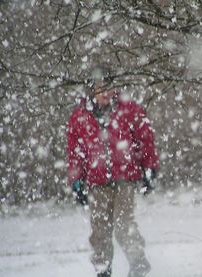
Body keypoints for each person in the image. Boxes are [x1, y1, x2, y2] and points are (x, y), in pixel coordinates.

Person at [67, 70, 159, 277]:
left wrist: (149, 169)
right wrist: (76, 181)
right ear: (92, 90)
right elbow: (75, 151)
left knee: (123, 225)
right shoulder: (80, 116)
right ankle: (103, 270)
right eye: (100, 88)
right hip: (96, 181)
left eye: (108, 87)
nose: (105, 93)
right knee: (100, 230)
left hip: (126, 177)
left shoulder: (130, 110)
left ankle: (138, 266)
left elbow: (145, 141)